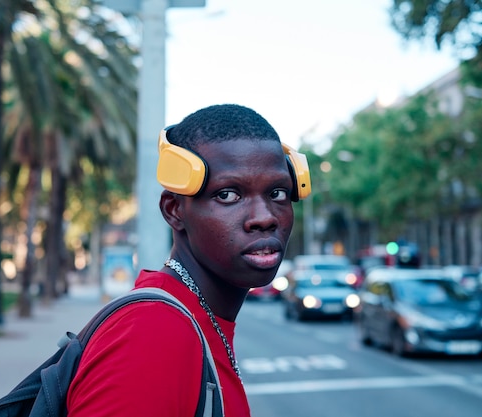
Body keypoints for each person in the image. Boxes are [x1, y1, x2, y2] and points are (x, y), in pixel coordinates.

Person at [66, 104, 310, 416]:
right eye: (228, 195)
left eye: (277, 193)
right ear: (174, 210)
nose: (264, 218)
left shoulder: (191, 321)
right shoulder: (152, 334)